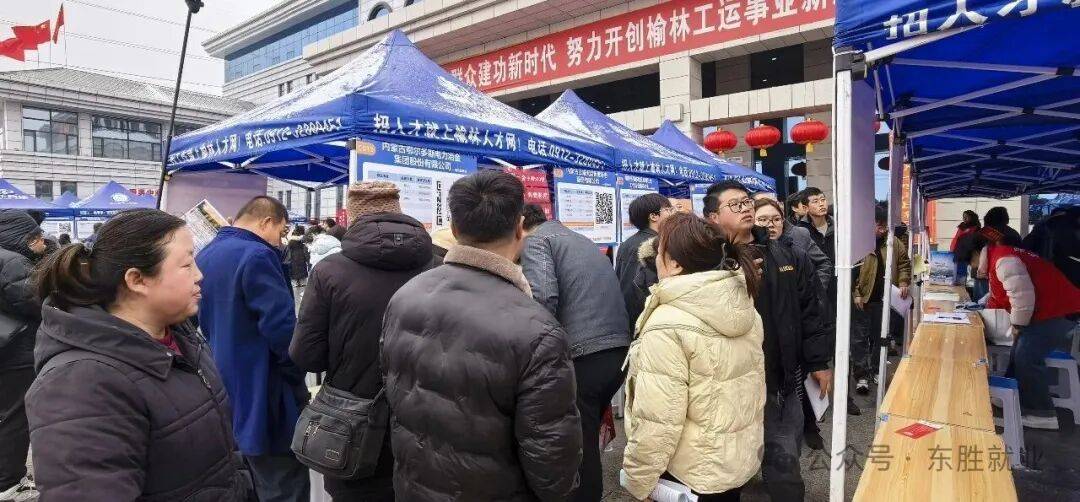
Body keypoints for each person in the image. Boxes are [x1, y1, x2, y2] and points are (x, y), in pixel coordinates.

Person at [24, 209, 253, 501]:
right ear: (137, 280)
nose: (199, 275)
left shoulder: (179, 337)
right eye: (186, 264)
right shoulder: (82, 383)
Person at [381, 171, 582, 501]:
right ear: (519, 228)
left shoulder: (405, 295)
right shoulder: (537, 330)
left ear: (454, 229)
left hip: (414, 485)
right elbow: (552, 461)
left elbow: (394, 388)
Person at [291, 182, 432, 501]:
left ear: (352, 216)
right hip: (426, 426)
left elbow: (307, 355)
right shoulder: (439, 265)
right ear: (399, 211)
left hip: (352, 429)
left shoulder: (329, 271)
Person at [622, 212, 764, 502]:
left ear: (674, 263)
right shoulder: (744, 306)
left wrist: (640, 480)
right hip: (733, 461)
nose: (655, 258)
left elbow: (658, 419)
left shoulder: (667, 322)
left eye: (659, 251)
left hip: (687, 474)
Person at [704, 180, 832, 502]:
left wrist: (818, 362)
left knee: (784, 459)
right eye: (735, 204)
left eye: (747, 201)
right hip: (726, 385)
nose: (746, 208)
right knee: (724, 468)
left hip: (779, 379)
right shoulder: (705, 264)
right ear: (713, 217)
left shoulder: (787, 254)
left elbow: (811, 312)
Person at [197, 196, 309, 502]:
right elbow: (281, 329)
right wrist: (296, 373)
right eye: (281, 231)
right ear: (266, 222)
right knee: (283, 484)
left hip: (224, 383)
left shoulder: (207, 253)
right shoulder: (258, 255)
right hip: (266, 389)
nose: (281, 241)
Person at [519, 204, 630, 502]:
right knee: (586, 436)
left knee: (579, 445)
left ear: (520, 224)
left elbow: (542, 298)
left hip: (584, 355)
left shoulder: (536, 240)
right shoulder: (580, 240)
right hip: (616, 353)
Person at [980, 226, 1080, 430]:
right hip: (1051, 309)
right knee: (1018, 350)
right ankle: (1011, 396)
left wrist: (1018, 325)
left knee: (1027, 356)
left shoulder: (1004, 259)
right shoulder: (1004, 255)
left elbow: (1022, 296)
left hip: (1059, 310)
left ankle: (1042, 413)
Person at [754, 198, 832, 450]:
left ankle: (804, 434)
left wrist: (818, 361)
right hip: (758, 355)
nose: (770, 225)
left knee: (790, 420)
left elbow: (812, 311)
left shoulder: (796, 254)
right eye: (762, 220)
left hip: (791, 353)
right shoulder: (746, 260)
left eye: (776, 219)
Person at [0, 211, 46, 501]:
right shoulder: (14, 262)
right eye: (36, 237)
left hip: (6, 349)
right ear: (22, 238)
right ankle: (8, 482)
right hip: (17, 352)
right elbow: (36, 301)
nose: (42, 242)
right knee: (15, 418)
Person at [851, 207, 912, 395]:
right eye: (879, 226)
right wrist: (856, 293)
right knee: (859, 339)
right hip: (863, 299)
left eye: (885, 226)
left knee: (880, 337)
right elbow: (852, 271)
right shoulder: (858, 242)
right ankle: (861, 375)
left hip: (884, 299)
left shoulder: (893, 242)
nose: (883, 230)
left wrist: (903, 281)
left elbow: (904, 263)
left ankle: (877, 369)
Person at [615, 193, 675, 330]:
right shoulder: (655, 245)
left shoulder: (627, 243)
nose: (673, 214)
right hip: (645, 319)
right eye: (668, 210)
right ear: (653, 216)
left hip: (625, 317)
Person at [1022, 206, 1079, 287]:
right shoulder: (1068, 230)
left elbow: (1025, 247)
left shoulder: (1041, 229)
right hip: (1062, 269)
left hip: (1046, 269)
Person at [285, 226, 310, 290]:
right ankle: (302, 282)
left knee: (294, 269)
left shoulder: (291, 239)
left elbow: (288, 249)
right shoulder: (303, 239)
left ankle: (296, 283)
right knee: (302, 268)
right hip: (301, 255)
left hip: (293, 256)